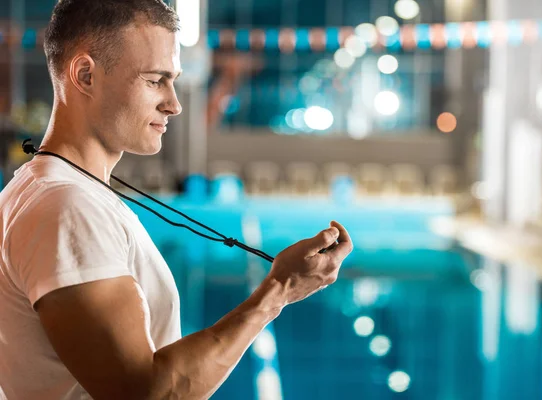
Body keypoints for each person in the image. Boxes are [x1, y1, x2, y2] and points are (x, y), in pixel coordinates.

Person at [0, 1, 353, 399]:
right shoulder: (66, 207)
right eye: (155, 80)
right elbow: (148, 393)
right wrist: (279, 290)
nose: (175, 103)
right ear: (85, 75)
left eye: (173, 81)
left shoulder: (62, 190)